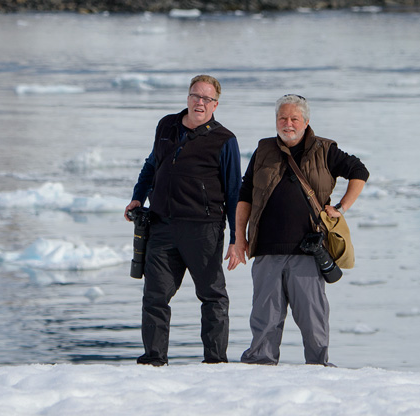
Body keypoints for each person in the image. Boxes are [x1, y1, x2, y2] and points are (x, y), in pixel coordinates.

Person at [234, 94, 369, 366]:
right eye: (282, 118)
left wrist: (341, 207)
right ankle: (259, 368)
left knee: (313, 318)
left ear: (306, 122)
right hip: (267, 249)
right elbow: (244, 195)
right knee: (264, 319)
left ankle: (319, 368)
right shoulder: (263, 150)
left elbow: (359, 171)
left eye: (294, 118)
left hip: (308, 250)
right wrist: (239, 238)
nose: (288, 123)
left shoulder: (326, 149)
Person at [124, 75, 242, 366]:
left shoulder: (225, 140)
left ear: (215, 104)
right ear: (188, 97)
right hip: (162, 226)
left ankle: (215, 362)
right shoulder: (167, 125)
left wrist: (237, 239)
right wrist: (138, 196)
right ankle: (154, 359)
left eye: (206, 99)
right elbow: (152, 164)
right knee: (155, 295)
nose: (199, 103)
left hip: (204, 229)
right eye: (195, 96)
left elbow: (234, 192)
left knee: (212, 296)